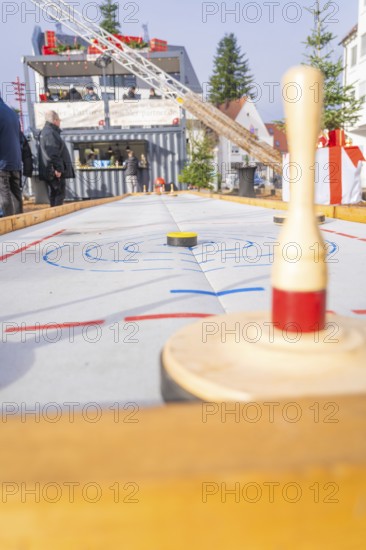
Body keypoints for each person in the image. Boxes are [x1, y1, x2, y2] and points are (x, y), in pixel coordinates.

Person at [38, 111, 75, 207]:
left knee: (55, 194)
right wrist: (58, 169)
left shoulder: (47, 131)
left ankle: (55, 216)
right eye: (59, 120)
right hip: (54, 172)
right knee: (58, 195)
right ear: (55, 120)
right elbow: (53, 152)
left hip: (51, 170)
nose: (60, 122)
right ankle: (57, 219)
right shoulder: (50, 133)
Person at [0, 95, 22, 217]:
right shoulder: (11, 112)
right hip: (15, 161)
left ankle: (10, 228)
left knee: (4, 196)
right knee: (16, 195)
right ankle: (21, 223)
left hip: (2, 162)